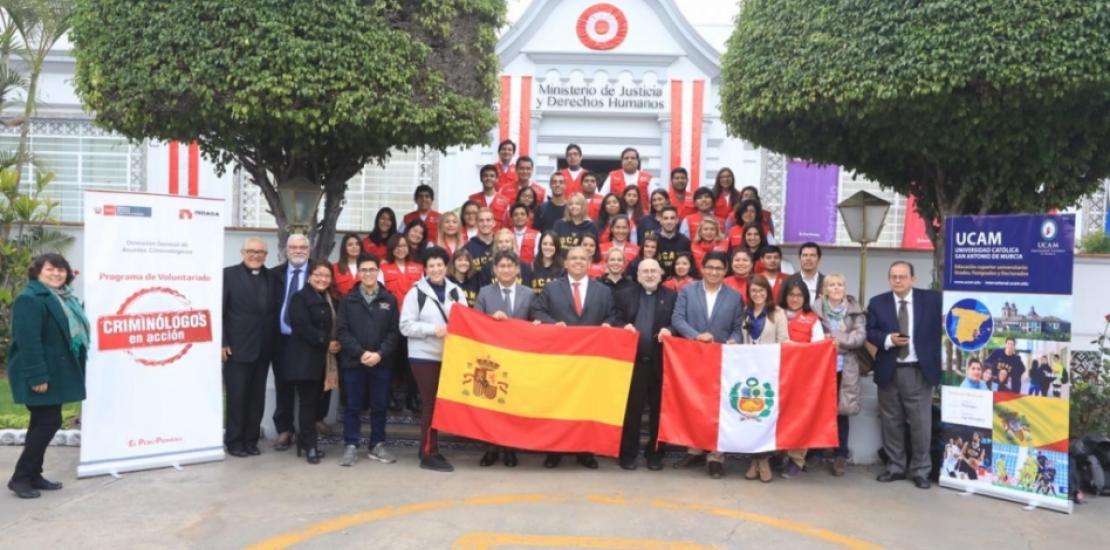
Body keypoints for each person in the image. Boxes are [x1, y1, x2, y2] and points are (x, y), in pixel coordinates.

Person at [7, 254, 87, 498]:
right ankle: (20, 478)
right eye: (50, 269)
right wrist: (37, 376)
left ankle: (33, 475)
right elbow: (29, 342)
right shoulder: (30, 299)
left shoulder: (64, 298)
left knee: (41, 423)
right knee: (48, 422)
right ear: (38, 272)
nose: (56, 274)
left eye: (61, 270)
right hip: (40, 372)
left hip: (56, 371)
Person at [530, 245, 618, 469]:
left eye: (583, 258)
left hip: (591, 363)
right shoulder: (552, 288)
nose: (578, 262)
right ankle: (555, 451)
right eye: (574, 258)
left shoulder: (603, 291)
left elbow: (613, 315)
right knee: (558, 405)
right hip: (561, 361)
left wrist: (608, 324)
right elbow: (537, 311)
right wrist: (553, 324)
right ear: (566, 263)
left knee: (587, 406)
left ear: (589, 264)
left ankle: (585, 451)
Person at [867, 260, 943, 490]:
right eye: (894, 277)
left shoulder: (932, 300)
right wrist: (888, 340)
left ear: (913, 279)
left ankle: (921, 470)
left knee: (921, 424)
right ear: (889, 279)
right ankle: (895, 467)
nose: (898, 280)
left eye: (902, 276)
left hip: (918, 371)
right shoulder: (877, 302)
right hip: (889, 371)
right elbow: (870, 332)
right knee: (891, 422)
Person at [671, 251, 744, 479]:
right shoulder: (687, 291)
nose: (713, 272)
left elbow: (738, 328)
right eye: (710, 267)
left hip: (721, 361)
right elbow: (677, 319)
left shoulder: (734, 297)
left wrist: (734, 340)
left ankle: (716, 456)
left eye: (718, 268)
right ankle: (693, 449)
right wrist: (696, 336)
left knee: (718, 407)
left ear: (725, 271)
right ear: (702, 268)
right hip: (692, 357)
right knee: (693, 404)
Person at [399, 247, 469, 472]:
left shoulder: (456, 291)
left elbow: (466, 320)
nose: (436, 269)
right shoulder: (415, 293)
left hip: (449, 356)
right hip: (423, 356)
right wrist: (431, 329)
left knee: (440, 404)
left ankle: (426, 447)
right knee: (430, 404)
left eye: (440, 265)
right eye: (431, 266)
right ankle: (429, 453)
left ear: (446, 267)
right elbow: (405, 326)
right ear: (425, 269)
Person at [335, 253, 401, 467]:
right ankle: (351, 445)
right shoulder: (348, 300)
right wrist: (360, 353)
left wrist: (379, 354)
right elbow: (342, 331)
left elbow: (394, 333)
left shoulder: (389, 300)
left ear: (378, 272)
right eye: (363, 270)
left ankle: (377, 445)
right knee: (352, 406)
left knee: (379, 405)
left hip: (382, 363)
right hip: (354, 362)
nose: (368, 273)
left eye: (372, 269)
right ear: (358, 273)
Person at [473, 250, 535, 468]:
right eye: (502, 266)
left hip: (519, 359)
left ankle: (510, 449)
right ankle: (491, 448)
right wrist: (491, 320)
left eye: (510, 266)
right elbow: (475, 322)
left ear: (517, 269)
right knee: (491, 405)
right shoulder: (484, 292)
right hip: (492, 359)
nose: (506, 270)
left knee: (512, 405)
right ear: (495, 270)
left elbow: (534, 322)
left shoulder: (529, 293)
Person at [614, 259, 676, 471]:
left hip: (661, 363)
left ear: (660, 274)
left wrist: (670, 330)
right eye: (645, 271)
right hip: (633, 363)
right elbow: (615, 318)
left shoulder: (671, 296)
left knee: (659, 412)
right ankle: (627, 454)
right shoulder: (625, 295)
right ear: (638, 275)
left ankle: (655, 455)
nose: (649, 275)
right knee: (632, 411)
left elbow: (677, 321)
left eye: (653, 271)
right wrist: (624, 326)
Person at [222, 238, 281, 458]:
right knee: (237, 397)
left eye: (260, 252)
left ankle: (250, 440)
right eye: (251, 251)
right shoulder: (228, 275)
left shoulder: (272, 278)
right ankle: (234, 441)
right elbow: (219, 311)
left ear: (266, 255)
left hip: (264, 348)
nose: (255, 255)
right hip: (236, 348)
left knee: (257, 398)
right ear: (242, 252)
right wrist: (223, 342)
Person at [283, 262, 340, 464]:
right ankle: (310, 446)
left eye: (327, 276)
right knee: (308, 404)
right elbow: (302, 326)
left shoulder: (330, 299)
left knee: (316, 404)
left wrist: (336, 343)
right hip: (305, 359)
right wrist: (327, 342)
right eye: (318, 274)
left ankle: (306, 442)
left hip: (325, 360)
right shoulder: (300, 297)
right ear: (309, 276)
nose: (322, 279)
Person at [813, 274, 866, 477]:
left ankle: (840, 454)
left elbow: (859, 337)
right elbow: (814, 337)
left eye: (840, 285)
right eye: (832, 285)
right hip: (821, 368)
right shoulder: (816, 309)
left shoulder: (854, 311)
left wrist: (835, 340)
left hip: (845, 368)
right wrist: (839, 340)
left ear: (845, 288)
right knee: (819, 409)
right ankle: (816, 451)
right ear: (825, 289)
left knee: (841, 412)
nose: (836, 288)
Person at [740, 274, 788, 482]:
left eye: (761, 290)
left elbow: (783, 341)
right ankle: (754, 460)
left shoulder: (777, 313)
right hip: (748, 372)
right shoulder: (745, 313)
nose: (757, 294)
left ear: (767, 292)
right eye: (754, 291)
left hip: (769, 372)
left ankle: (763, 461)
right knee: (750, 415)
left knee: (765, 416)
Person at [778, 277, 826, 479]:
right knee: (777, 416)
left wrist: (796, 348)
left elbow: (819, 348)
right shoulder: (775, 313)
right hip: (776, 375)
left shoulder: (812, 319)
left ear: (805, 297)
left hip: (802, 377)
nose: (795, 299)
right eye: (791, 295)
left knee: (798, 418)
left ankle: (796, 459)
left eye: (799, 295)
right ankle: (776, 455)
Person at [273, 234, 313, 451]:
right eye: (294, 247)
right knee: (283, 385)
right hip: (282, 339)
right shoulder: (274, 274)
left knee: (310, 388)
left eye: (302, 247)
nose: (298, 251)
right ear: (286, 250)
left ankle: (309, 429)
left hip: (309, 340)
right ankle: (284, 429)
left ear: (309, 250)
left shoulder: (318, 272)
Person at [468, 165, 511, 230]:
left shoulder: (505, 201)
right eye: (485, 176)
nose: (488, 178)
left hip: (498, 235)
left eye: (492, 176)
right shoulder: (472, 199)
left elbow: (507, 224)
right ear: (481, 178)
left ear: (497, 179)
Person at [656, 206, 691, 277]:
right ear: (660, 220)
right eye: (665, 218)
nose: (669, 222)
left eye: (672, 218)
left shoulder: (685, 241)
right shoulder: (652, 239)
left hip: (678, 280)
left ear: (677, 220)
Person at [463, 208, 498, 275]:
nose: (485, 224)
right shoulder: (468, 248)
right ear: (476, 224)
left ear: (494, 223)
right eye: (481, 221)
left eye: (488, 220)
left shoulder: (501, 245)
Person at [332, 233, 363, 297]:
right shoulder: (335, 268)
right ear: (344, 248)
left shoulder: (369, 267)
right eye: (350, 245)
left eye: (357, 244)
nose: (354, 247)